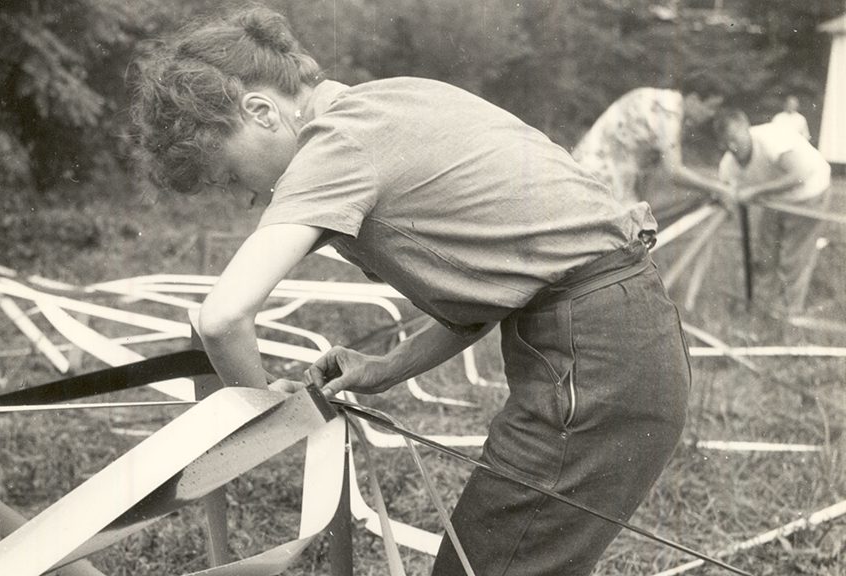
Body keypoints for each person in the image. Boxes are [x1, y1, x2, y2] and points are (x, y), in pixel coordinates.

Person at [130, 7, 691, 575]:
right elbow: (507, 284)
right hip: (618, 337)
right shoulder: (397, 99)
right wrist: (388, 367)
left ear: (260, 111)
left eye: (230, 175)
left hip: (595, 358)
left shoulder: (337, 143)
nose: (249, 198)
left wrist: (268, 430)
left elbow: (222, 317)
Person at [715, 107, 831, 314]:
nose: (732, 146)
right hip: (775, 201)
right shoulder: (728, 165)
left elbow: (800, 174)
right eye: (726, 142)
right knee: (765, 255)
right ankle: (762, 309)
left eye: (735, 138)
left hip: (810, 191)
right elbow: (726, 193)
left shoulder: (771, 140)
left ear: (746, 128)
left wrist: (755, 191)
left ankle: (789, 315)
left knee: (792, 258)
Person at [571, 77, 735, 224]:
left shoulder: (659, 98)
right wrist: (718, 188)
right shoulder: (669, 114)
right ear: (693, 99)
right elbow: (674, 172)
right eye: (710, 107)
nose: (711, 115)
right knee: (630, 236)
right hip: (601, 175)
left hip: (589, 167)